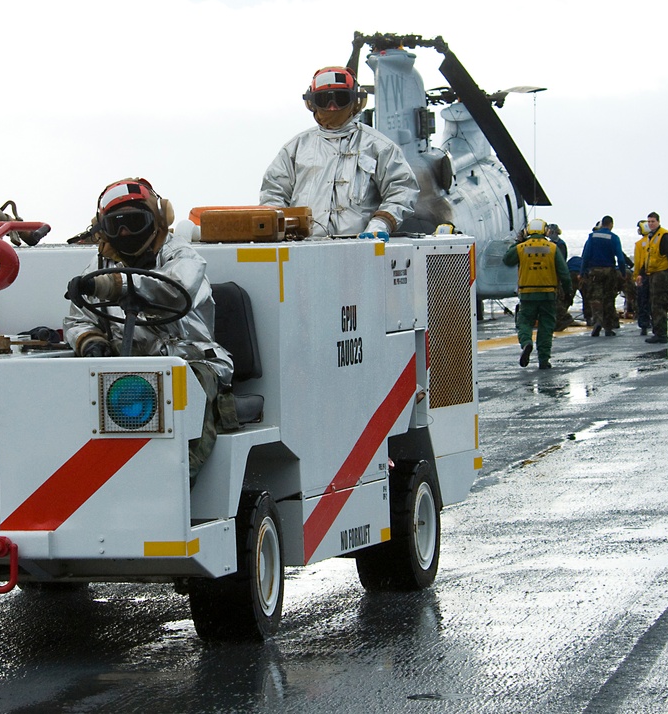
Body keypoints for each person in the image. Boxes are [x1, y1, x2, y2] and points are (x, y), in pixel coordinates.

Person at [63, 178, 236, 481]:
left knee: (183, 404)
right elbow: (78, 320)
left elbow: (173, 292)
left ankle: (175, 483)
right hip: (125, 370)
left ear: (158, 218)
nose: (126, 233)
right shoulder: (99, 265)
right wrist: (90, 342)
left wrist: (114, 285)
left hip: (192, 363)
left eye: (134, 221)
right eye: (116, 225)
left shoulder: (183, 256)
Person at [259, 66, 419, 239]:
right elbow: (273, 193)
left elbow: (402, 189)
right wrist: (278, 228)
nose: (333, 107)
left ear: (356, 101)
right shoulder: (295, 148)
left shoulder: (379, 147)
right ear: (311, 103)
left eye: (340, 99)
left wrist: (382, 222)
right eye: (324, 100)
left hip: (360, 248)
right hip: (302, 248)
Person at [503, 218, 571, 370]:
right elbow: (564, 272)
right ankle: (544, 360)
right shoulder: (552, 248)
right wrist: (568, 291)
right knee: (546, 327)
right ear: (545, 231)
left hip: (527, 294)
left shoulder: (521, 247)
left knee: (524, 323)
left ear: (528, 231)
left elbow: (507, 260)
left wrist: (517, 241)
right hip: (548, 294)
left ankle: (527, 342)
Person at [579, 216, 626, 336]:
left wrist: (582, 272)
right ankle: (608, 328)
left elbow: (585, 256)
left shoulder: (592, 237)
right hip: (609, 271)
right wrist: (623, 273)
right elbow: (620, 258)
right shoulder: (614, 238)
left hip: (594, 272)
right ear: (611, 224)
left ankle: (597, 322)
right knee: (609, 299)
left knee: (595, 298)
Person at [639, 211, 668, 344]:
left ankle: (661, 334)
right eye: (649, 222)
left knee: (659, 303)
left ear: (658, 222)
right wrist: (641, 273)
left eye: (653, 221)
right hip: (652, 274)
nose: (651, 224)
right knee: (653, 303)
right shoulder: (651, 237)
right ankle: (658, 332)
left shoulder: (664, 235)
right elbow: (647, 258)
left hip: (662, 273)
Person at [546, 224, 577, 331]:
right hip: (552, 273)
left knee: (557, 298)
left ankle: (565, 318)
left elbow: (561, 261)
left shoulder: (559, 245)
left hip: (556, 274)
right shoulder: (552, 244)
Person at [632, 220, 652, 335]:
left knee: (643, 301)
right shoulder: (654, 240)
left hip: (643, 274)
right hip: (654, 274)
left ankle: (644, 325)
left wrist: (636, 276)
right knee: (654, 300)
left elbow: (638, 262)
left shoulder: (639, 244)